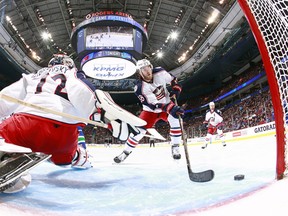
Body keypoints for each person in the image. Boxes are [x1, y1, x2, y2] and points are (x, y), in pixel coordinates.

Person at [0, 54, 138, 192]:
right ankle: (81, 158)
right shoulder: (71, 73)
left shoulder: (33, 76)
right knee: (66, 158)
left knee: (3, 136)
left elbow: (5, 99)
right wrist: (101, 114)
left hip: (22, 125)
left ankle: (9, 158)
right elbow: (79, 90)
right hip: (61, 134)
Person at [114, 59, 184, 163]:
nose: (147, 71)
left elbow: (173, 79)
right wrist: (170, 107)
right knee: (138, 132)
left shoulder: (160, 72)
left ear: (151, 67)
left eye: (148, 68)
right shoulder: (139, 87)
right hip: (150, 111)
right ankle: (125, 152)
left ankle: (175, 146)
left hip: (166, 104)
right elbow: (152, 105)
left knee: (176, 120)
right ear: (140, 72)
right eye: (143, 69)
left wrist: (176, 88)